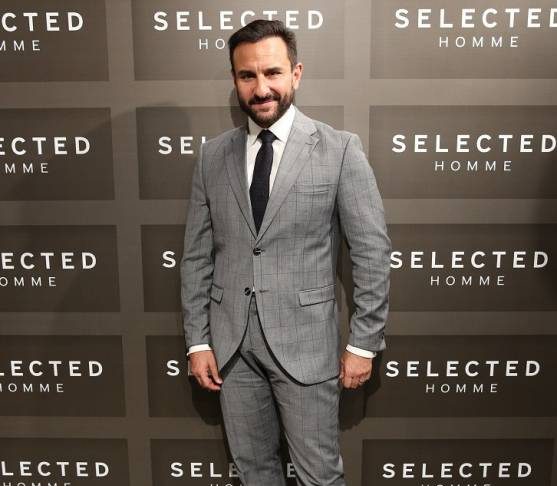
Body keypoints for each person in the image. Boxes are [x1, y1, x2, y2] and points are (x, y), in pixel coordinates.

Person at [180, 19, 391, 486]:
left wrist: (363, 343)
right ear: (235, 79)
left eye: (272, 72)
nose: (261, 89)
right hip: (231, 349)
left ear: (296, 73)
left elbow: (372, 253)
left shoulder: (339, 150)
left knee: (319, 477)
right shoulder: (212, 156)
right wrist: (198, 341)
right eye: (247, 76)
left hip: (306, 347)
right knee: (254, 474)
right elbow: (196, 257)